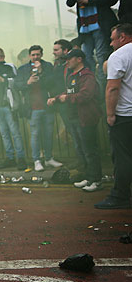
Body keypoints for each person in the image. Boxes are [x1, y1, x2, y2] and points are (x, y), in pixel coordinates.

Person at [48, 49, 102, 191]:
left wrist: (67, 98)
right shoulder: (72, 76)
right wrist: (57, 98)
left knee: (90, 151)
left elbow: (86, 95)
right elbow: (69, 91)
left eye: (70, 58)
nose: (67, 61)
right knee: (83, 150)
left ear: (79, 59)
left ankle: (96, 180)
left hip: (85, 118)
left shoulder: (87, 75)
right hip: (74, 117)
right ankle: (88, 177)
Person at [96, 23, 132, 209]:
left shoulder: (119, 56)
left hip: (125, 115)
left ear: (123, 37)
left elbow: (113, 88)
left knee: (123, 157)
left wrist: (110, 115)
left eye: (112, 39)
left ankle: (120, 195)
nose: (110, 44)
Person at [66, 0, 118, 83]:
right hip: (85, 29)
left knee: (101, 55)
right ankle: (90, 81)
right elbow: (69, 3)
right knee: (86, 57)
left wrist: (90, 1)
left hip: (99, 26)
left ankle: (102, 84)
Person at [16, 45, 63, 172]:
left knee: (48, 134)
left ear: (41, 55)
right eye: (33, 55)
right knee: (35, 135)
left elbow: (52, 83)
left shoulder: (47, 66)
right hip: (32, 107)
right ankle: (37, 160)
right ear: (29, 56)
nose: (35, 57)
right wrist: (27, 82)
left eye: (38, 54)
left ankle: (48, 158)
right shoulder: (23, 69)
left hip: (47, 106)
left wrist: (41, 72)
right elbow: (17, 85)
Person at [0, 48, 26, 169]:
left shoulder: (9, 66)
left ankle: (21, 158)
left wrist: (2, 79)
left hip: (9, 104)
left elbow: (16, 81)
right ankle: (10, 157)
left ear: (2, 57)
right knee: (4, 133)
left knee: (15, 132)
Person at [50, 39, 86, 172]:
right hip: (63, 102)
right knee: (74, 133)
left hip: (73, 103)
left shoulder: (73, 67)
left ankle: (86, 164)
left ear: (65, 51)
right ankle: (81, 161)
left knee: (79, 134)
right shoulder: (58, 65)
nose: (53, 53)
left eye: (56, 50)